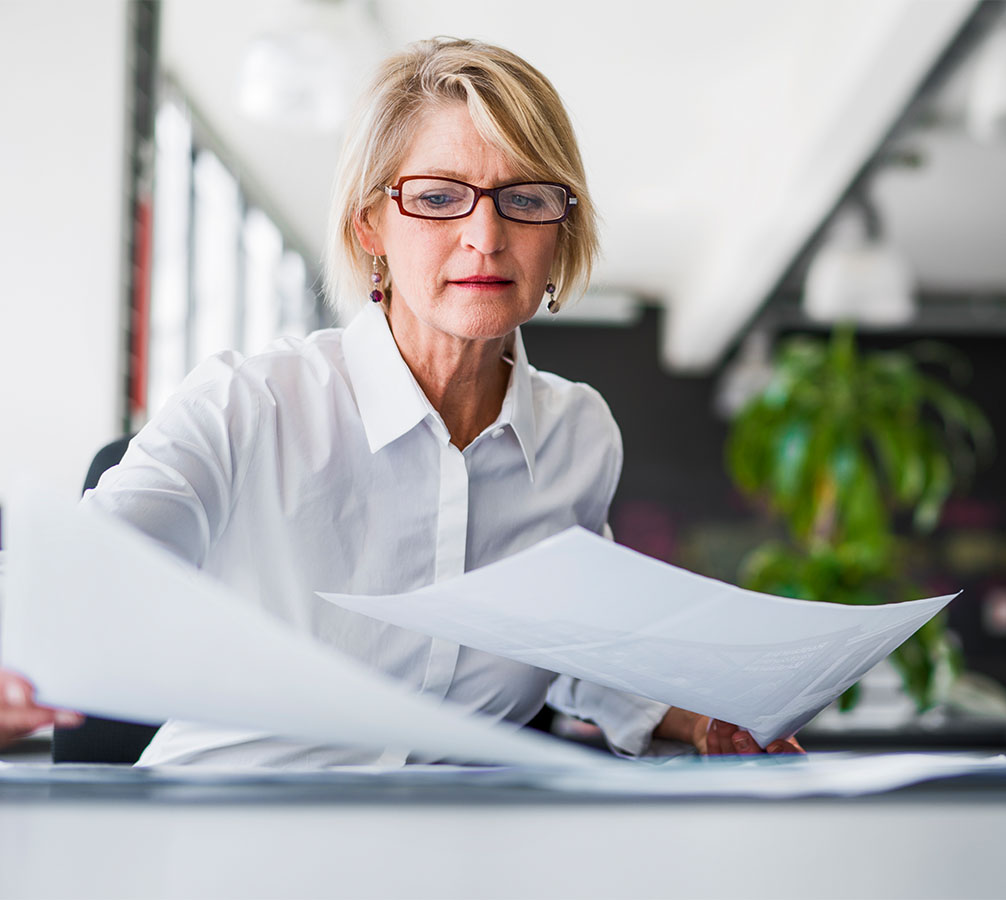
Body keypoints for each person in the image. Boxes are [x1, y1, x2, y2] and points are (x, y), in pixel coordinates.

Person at [0, 38, 800, 763]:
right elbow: (68, 578)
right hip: (235, 835)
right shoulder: (251, 406)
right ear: (370, 228)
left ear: (560, 229)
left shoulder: (577, 436)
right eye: (440, 197)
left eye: (524, 198)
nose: (485, 237)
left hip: (453, 848)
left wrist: (694, 717)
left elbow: (566, 642)